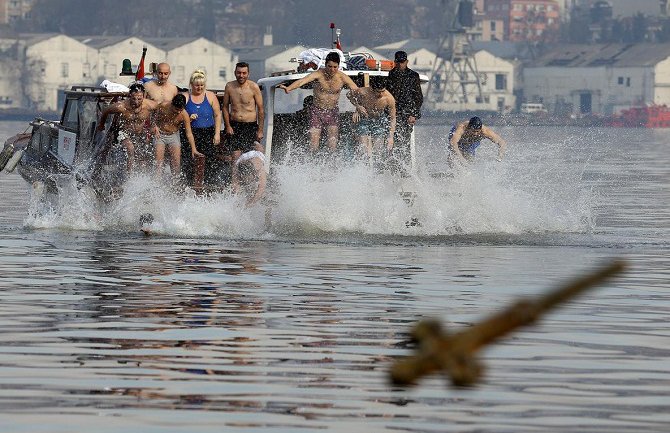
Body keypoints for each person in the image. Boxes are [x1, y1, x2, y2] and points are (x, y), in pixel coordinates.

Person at [278, 51, 359, 153]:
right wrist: (289, 88)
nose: (332, 70)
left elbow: (357, 91)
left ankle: (331, 166)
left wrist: (358, 108)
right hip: (317, 111)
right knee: (313, 144)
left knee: (332, 144)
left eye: (335, 67)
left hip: (332, 112)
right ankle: (312, 164)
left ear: (338, 66)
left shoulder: (342, 77)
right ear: (325, 65)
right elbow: (302, 81)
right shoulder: (319, 74)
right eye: (329, 66)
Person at [97, 82, 158, 172]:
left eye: (139, 99)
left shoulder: (150, 105)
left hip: (139, 133)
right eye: (133, 99)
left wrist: (153, 125)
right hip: (123, 132)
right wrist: (101, 125)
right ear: (129, 95)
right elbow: (106, 111)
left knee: (143, 154)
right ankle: (129, 177)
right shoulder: (121, 106)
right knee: (130, 149)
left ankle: (140, 175)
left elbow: (157, 110)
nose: (136, 102)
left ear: (144, 96)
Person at [182, 69, 223, 190]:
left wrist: (217, 134)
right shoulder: (186, 96)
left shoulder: (210, 96)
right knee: (189, 158)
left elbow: (217, 115)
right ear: (191, 85)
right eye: (196, 85)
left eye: (201, 85)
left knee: (209, 159)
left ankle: (208, 184)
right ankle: (189, 184)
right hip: (190, 133)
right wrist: (188, 118)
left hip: (208, 132)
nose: (199, 88)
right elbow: (178, 116)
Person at [386, 50, 423, 171]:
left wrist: (414, 114)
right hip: (394, 113)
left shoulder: (413, 75)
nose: (400, 64)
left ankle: (405, 169)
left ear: (406, 61)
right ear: (395, 62)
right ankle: (393, 168)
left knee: (404, 141)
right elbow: (388, 95)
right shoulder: (391, 74)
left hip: (407, 113)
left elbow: (418, 98)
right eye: (398, 62)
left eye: (402, 62)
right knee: (392, 140)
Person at [222, 62, 265, 162]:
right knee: (235, 156)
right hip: (234, 125)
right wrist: (227, 126)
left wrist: (260, 130)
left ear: (248, 74)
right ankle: (234, 177)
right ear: (235, 73)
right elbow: (224, 107)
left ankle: (254, 176)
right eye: (239, 73)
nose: (241, 75)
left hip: (250, 126)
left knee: (253, 156)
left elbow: (261, 109)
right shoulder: (229, 86)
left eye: (244, 73)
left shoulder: (254, 87)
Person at [153, 94, 202, 177]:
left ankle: (175, 184)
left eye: (180, 109)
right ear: (172, 104)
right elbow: (153, 115)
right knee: (159, 163)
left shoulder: (184, 114)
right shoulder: (163, 106)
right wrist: (154, 126)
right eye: (176, 109)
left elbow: (189, 133)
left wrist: (193, 149)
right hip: (160, 134)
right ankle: (156, 183)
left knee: (176, 163)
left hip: (173, 135)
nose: (178, 112)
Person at [349, 77, 396, 160]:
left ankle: (376, 171)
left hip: (379, 121)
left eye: (383, 91)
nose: (381, 94)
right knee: (363, 150)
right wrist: (358, 106)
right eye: (378, 92)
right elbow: (349, 95)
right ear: (371, 89)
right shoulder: (363, 91)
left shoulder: (389, 98)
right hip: (364, 119)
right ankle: (363, 170)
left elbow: (392, 118)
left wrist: (391, 137)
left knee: (378, 152)